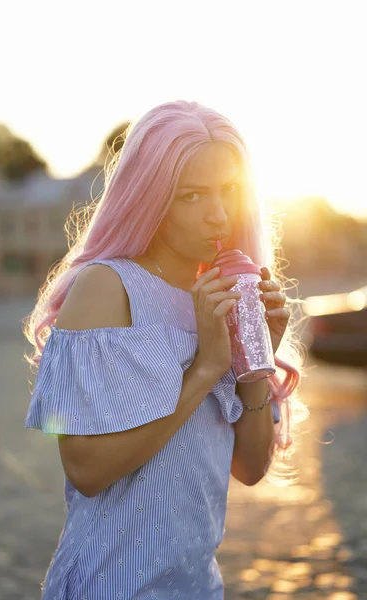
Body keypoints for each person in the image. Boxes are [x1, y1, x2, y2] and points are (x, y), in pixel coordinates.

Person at [23, 100, 308, 599]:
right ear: (150, 196)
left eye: (230, 191)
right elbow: (86, 471)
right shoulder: (106, 288)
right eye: (192, 195)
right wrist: (205, 370)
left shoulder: (222, 296)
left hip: (198, 586)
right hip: (109, 585)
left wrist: (255, 363)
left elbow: (250, 467)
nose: (219, 215)